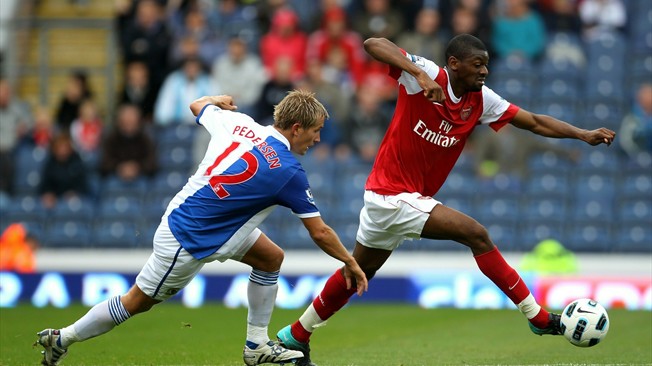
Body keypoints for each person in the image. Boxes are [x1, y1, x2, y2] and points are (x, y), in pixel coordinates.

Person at [275, 34, 616, 366]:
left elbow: (535, 122)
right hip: (392, 195)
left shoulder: (482, 100)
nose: (484, 71)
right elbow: (373, 44)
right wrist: (418, 74)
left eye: (486, 65)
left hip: (396, 198)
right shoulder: (425, 76)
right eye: (477, 65)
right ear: (454, 64)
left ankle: (296, 334)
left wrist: (582, 134)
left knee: (357, 271)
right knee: (476, 234)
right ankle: (537, 317)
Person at [34, 90, 368, 366]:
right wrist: (350, 262)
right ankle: (63, 338)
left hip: (202, 218)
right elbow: (320, 232)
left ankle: (256, 346)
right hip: (189, 238)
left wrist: (216, 99)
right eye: (314, 131)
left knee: (270, 257)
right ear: (296, 128)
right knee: (137, 301)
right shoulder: (289, 171)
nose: (318, 138)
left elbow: (198, 105)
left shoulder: (239, 123)